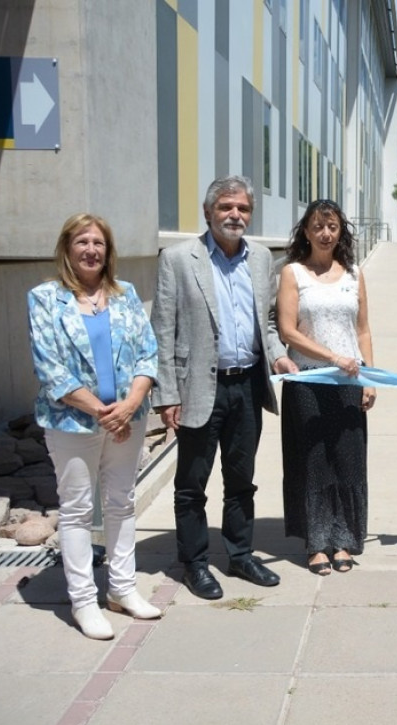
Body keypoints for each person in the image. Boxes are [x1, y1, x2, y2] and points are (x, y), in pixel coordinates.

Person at [151, 175, 296, 600]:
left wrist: (277, 355)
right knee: (192, 483)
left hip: (248, 386)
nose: (236, 215)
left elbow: (266, 322)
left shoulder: (262, 258)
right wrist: (167, 394)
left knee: (241, 479)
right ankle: (194, 564)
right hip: (199, 388)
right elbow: (163, 330)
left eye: (243, 209)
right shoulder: (178, 259)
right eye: (227, 207)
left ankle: (240, 554)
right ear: (209, 212)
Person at [28, 214, 162, 639]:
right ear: (67, 248)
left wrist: (132, 404)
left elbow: (147, 354)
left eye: (99, 243)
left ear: (109, 250)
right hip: (72, 422)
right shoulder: (45, 298)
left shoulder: (126, 295)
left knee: (122, 503)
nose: (91, 250)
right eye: (82, 242)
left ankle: (122, 589)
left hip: (129, 417)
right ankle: (84, 601)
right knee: (78, 511)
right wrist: (107, 413)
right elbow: (51, 370)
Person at [276, 199, 376, 575]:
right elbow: (287, 331)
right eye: (318, 226)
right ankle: (316, 543)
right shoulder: (293, 273)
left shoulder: (354, 273)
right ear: (306, 231)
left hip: (349, 380)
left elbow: (363, 330)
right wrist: (333, 357)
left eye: (332, 226)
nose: (325, 233)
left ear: (340, 232)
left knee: (348, 460)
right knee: (314, 461)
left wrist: (369, 376)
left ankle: (344, 537)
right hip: (307, 381)